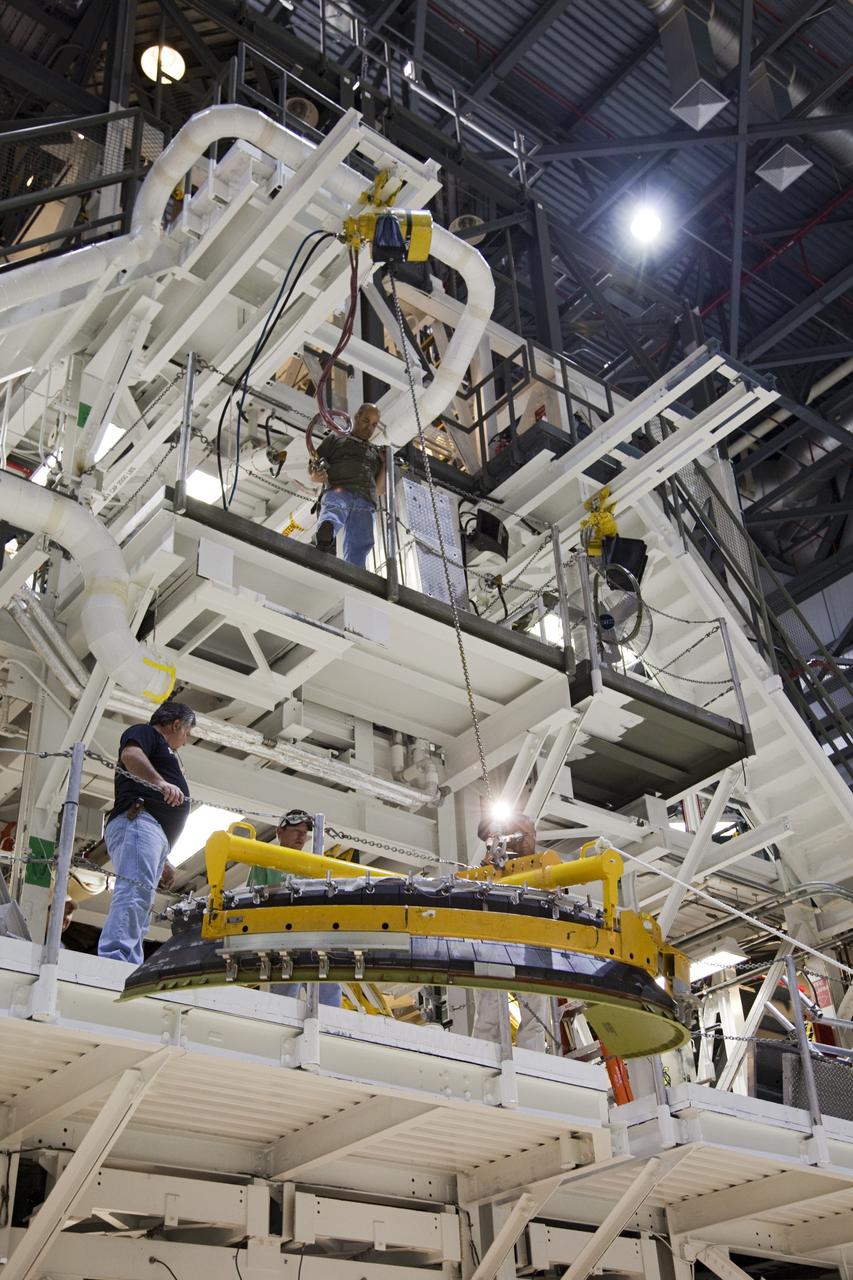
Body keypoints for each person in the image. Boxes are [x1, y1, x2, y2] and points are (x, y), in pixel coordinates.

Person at [98, 702, 195, 965]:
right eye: (187, 733)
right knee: (135, 892)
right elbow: (130, 756)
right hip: (139, 821)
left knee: (142, 897)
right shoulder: (146, 733)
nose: (185, 741)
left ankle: (128, 959)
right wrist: (161, 782)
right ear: (176, 724)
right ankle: (116, 957)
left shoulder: (165, 749)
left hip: (150, 832)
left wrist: (163, 857)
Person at [471, 813, 551, 1053]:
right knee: (488, 1008)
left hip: (531, 944)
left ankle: (534, 1062)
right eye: (517, 833)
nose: (521, 840)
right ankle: (483, 1057)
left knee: (535, 1010)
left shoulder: (544, 867)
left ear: (534, 836)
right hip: (493, 940)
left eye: (525, 833)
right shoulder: (496, 864)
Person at [248, 808, 342, 1008]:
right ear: (279, 832)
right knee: (286, 990)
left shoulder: (313, 865)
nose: (302, 836)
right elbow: (252, 900)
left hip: (313, 934)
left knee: (328, 986)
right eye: (296, 831)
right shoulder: (265, 861)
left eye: (305, 832)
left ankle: (331, 1029)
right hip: (282, 936)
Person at [308, 403, 385, 570]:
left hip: (365, 500)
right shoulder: (336, 439)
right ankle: (326, 533)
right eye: (366, 420)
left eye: (373, 424)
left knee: (361, 540)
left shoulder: (376, 453)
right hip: (340, 488)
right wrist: (315, 475)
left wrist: (385, 465)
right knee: (335, 508)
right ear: (356, 417)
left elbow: (379, 490)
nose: (369, 428)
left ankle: (355, 572)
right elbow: (314, 463)